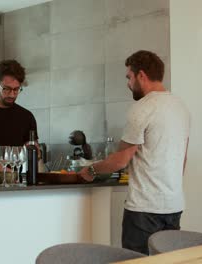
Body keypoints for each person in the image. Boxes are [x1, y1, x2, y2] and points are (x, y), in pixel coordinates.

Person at [79, 50, 190, 255]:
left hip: (144, 210)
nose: (128, 83)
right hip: (174, 205)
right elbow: (183, 157)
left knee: (136, 261)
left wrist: (91, 170)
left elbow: (121, 160)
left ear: (141, 75)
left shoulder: (142, 108)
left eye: (129, 77)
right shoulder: (180, 107)